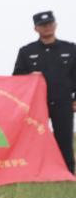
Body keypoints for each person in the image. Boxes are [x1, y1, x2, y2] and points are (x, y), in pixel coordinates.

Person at [13, 10, 76, 173]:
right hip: (36, 104)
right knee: (33, 139)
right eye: (42, 25)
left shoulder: (71, 49)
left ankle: (68, 173)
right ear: (36, 29)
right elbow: (16, 79)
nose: (47, 27)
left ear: (55, 25)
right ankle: (32, 172)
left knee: (64, 139)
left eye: (49, 24)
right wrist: (29, 76)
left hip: (63, 102)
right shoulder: (26, 51)